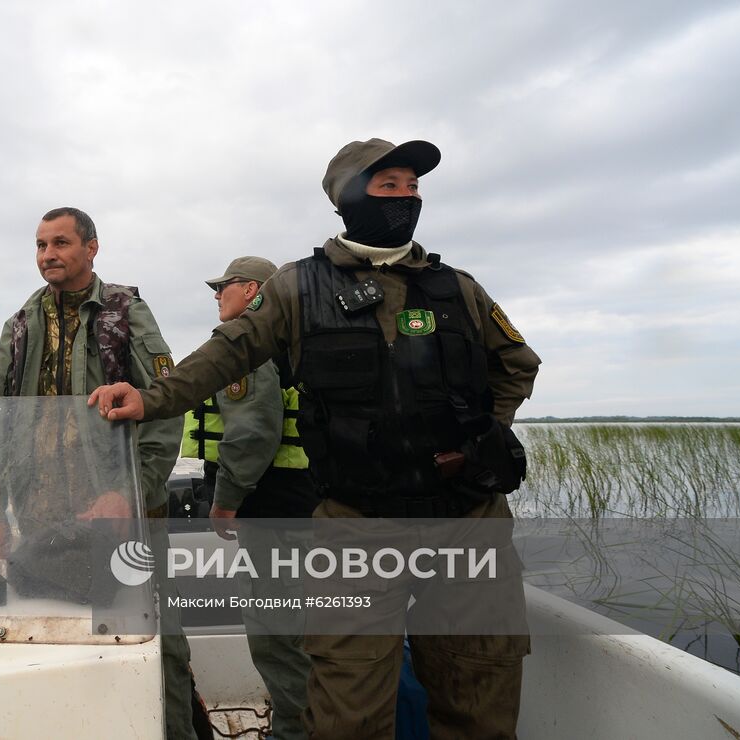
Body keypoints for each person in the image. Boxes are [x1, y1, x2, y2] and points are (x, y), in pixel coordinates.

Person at [90, 140, 541, 740]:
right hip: (357, 527)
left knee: (478, 700)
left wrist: (486, 430)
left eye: (412, 187)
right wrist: (150, 398)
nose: (407, 198)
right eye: (390, 187)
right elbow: (229, 353)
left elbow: (517, 363)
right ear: (350, 197)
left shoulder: (457, 288)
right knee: (347, 712)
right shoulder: (298, 290)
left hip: (468, 520)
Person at [0, 206, 195, 740]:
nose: (48, 255)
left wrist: (130, 495)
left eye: (61, 243)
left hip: (121, 511)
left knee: (155, 635)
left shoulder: (126, 312)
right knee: (53, 629)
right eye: (40, 245)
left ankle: (175, 731)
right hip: (42, 511)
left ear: (91, 248)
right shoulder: (20, 324)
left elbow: (166, 406)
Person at [180, 255, 315, 740]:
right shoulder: (292, 343)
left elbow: (253, 432)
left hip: (273, 512)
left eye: (225, 285)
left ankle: (295, 733)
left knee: (276, 633)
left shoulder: (250, 350)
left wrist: (225, 500)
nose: (217, 294)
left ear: (254, 290)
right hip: (300, 508)